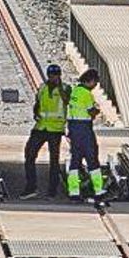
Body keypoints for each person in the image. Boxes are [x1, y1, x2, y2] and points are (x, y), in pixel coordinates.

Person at [23, 64, 69, 199]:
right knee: (29, 155)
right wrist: (36, 113)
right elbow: (37, 103)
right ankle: (31, 187)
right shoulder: (42, 88)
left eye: (56, 75)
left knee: (54, 161)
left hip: (55, 129)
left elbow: (67, 101)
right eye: (51, 75)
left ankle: (52, 190)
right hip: (41, 127)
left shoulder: (66, 88)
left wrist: (59, 87)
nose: (53, 77)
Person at [66, 69, 105, 199]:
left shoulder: (75, 91)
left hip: (73, 128)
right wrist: (97, 110)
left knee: (75, 160)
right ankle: (98, 189)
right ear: (91, 81)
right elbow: (92, 112)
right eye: (95, 83)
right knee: (92, 158)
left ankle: (74, 191)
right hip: (84, 129)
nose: (95, 86)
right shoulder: (86, 94)